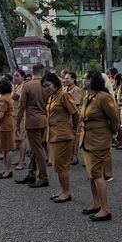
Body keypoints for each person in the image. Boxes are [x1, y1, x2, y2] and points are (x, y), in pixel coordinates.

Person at [79, 70, 120, 222]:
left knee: (97, 174)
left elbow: (114, 118)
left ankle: (105, 209)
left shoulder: (103, 97)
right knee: (92, 174)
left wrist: (112, 134)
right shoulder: (88, 96)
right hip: (88, 139)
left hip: (99, 140)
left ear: (91, 80)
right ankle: (96, 203)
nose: (82, 81)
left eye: (84, 78)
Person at [42, 72, 79, 203]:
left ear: (55, 83)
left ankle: (66, 192)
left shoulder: (64, 95)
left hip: (63, 135)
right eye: (45, 86)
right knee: (57, 165)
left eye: (48, 85)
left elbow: (75, 113)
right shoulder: (53, 96)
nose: (47, 88)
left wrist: (74, 129)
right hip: (54, 134)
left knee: (62, 165)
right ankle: (62, 190)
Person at [15, 64, 49, 188]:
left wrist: (17, 124)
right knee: (36, 148)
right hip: (44, 119)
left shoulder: (27, 86)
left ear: (32, 72)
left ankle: (43, 177)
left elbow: (21, 107)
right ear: (42, 72)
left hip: (32, 121)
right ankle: (31, 173)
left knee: (37, 149)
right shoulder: (46, 85)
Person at [63, 71, 82, 165]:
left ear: (73, 79)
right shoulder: (64, 89)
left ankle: (74, 156)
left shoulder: (76, 89)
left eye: (67, 78)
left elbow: (75, 104)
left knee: (75, 136)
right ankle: (69, 155)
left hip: (74, 115)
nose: (65, 80)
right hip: (66, 116)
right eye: (64, 78)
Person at [11, 70, 28, 170]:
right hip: (15, 115)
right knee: (17, 139)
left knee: (21, 139)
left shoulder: (23, 86)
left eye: (17, 76)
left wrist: (13, 87)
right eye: (14, 76)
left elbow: (14, 96)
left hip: (21, 116)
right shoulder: (17, 86)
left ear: (23, 77)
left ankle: (22, 161)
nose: (15, 78)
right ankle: (21, 159)